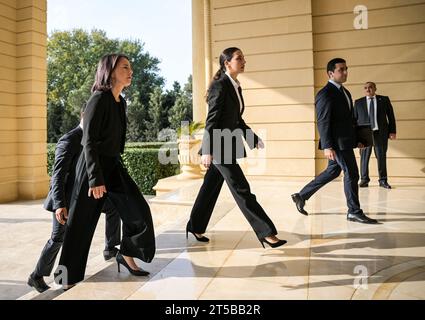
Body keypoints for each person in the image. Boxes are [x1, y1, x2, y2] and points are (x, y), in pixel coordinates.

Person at [55, 54, 155, 288]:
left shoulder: (121, 101)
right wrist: (94, 178)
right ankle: (65, 279)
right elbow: (87, 142)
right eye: (125, 67)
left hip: (113, 164)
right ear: (110, 72)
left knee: (139, 210)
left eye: (130, 67)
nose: (131, 70)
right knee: (79, 225)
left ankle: (126, 253)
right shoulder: (97, 99)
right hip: (92, 168)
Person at [186, 47, 286, 248]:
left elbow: (236, 119)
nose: (243, 61)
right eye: (239, 58)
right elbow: (211, 120)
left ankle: (195, 226)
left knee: (209, 188)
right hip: (218, 147)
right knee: (242, 189)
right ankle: (266, 232)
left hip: (226, 144)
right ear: (227, 63)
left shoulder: (234, 86)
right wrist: (207, 150)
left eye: (243, 58)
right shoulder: (219, 86)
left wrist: (252, 137)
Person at [27, 111, 121, 293]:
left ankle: (110, 247)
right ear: (85, 116)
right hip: (65, 200)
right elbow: (58, 175)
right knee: (59, 238)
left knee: (113, 208)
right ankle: (37, 276)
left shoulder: (93, 140)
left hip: (86, 196)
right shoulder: (69, 140)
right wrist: (60, 205)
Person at [291, 58, 378, 224]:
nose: (345, 72)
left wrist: (357, 139)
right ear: (331, 73)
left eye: (346, 69)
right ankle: (354, 211)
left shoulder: (345, 92)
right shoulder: (325, 93)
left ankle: (301, 196)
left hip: (345, 141)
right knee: (352, 173)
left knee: (333, 171)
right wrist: (327, 146)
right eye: (341, 70)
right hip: (336, 144)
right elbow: (323, 121)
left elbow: (348, 120)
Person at [354, 82, 396, 189]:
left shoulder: (384, 100)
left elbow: (391, 116)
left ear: (375, 88)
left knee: (381, 157)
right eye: (365, 88)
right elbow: (354, 120)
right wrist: (356, 137)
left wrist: (392, 131)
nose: (368, 89)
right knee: (364, 158)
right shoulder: (358, 102)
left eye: (370, 87)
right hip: (364, 135)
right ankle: (364, 180)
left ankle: (383, 180)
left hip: (380, 133)